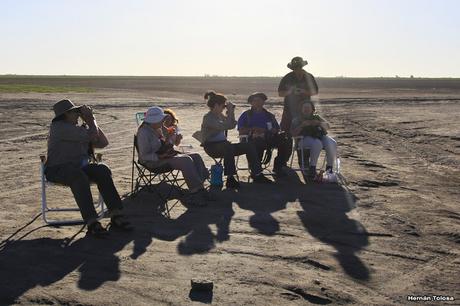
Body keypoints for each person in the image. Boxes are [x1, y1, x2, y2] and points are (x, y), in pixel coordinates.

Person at [45, 99, 132, 236]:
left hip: (79, 168)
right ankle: (92, 221)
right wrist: (91, 120)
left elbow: (103, 142)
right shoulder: (59, 128)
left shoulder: (79, 128)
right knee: (79, 176)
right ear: (64, 115)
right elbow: (92, 135)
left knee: (102, 169)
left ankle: (116, 214)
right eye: (74, 111)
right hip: (57, 169)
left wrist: (91, 120)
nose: (78, 114)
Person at [136, 106, 211, 205]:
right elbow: (143, 156)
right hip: (153, 162)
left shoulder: (157, 128)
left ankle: (200, 187)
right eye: (161, 119)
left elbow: (162, 146)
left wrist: (168, 139)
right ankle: (195, 192)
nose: (163, 121)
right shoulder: (144, 132)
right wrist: (160, 156)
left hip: (163, 155)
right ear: (153, 120)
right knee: (186, 160)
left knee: (196, 156)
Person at [200, 91, 273, 188]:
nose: (223, 108)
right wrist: (230, 112)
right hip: (212, 147)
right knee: (228, 147)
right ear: (216, 105)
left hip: (224, 145)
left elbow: (233, 124)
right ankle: (230, 178)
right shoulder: (208, 118)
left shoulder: (219, 115)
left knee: (249, 145)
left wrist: (231, 112)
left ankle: (257, 174)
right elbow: (228, 125)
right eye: (223, 106)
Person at [237, 92, 291, 177]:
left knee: (286, 140)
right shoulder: (246, 115)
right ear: (251, 102)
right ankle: (256, 169)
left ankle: (279, 166)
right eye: (255, 101)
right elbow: (241, 131)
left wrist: (274, 131)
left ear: (263, 102)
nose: (257, 103)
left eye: (260, 100)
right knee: (258, 142)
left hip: (268, 138)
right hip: (251, 139)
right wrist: (254, 129)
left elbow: (277, 129)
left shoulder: (269, 115)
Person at [278, 56, 319, 164]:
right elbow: (280, 93)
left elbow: (315, 92)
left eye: (298, 67)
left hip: (304, 111)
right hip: (289, 111)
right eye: (295, 68)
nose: (297, 70)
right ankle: (283, 161)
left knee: (304, 134)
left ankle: (303, 161)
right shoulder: (287, 77)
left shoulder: (309, 77)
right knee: (286, 135)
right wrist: (290, 92)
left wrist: (303, 92)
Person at [291, 101, 337, 180]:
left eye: (308, 108)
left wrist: (319, 123)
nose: (306, 109)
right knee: (317, 143)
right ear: (301, 109)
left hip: (318, 137)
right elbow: (293, 133)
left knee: (332, 142)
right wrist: (302, 125)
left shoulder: (317, 117)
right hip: (302, 140)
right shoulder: (297, 119)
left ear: (312, 109)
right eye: (304, 108)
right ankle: (312, 168)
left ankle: (329, 168)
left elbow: (328, 126)